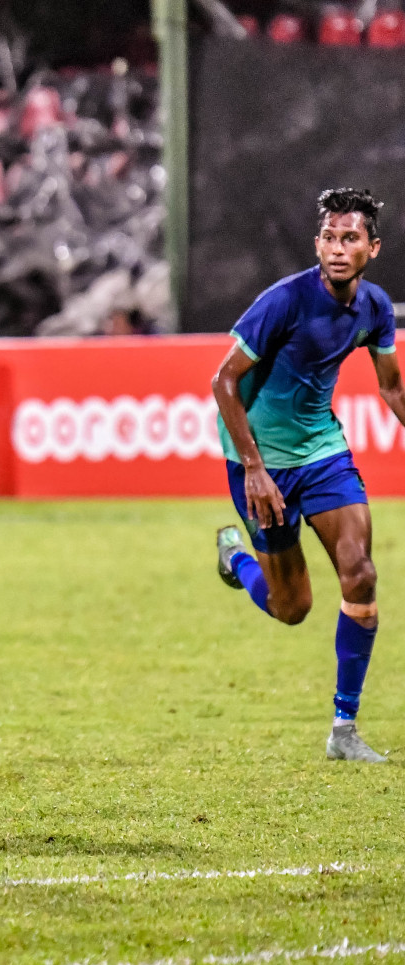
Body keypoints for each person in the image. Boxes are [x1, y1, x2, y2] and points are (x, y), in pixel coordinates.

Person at [213, 187, 402, 762]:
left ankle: (343, 729)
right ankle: (236, 559)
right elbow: (223, 382)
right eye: (328, 237)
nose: (337, 248)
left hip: (321, 452)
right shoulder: (284, 301)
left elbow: (391, 385)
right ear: (316, 243)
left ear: (373, 247)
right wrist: (253, 468)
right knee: (292, 608)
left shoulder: (374, 308)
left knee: (361, 574)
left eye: (350, 238)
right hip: (259, 461)